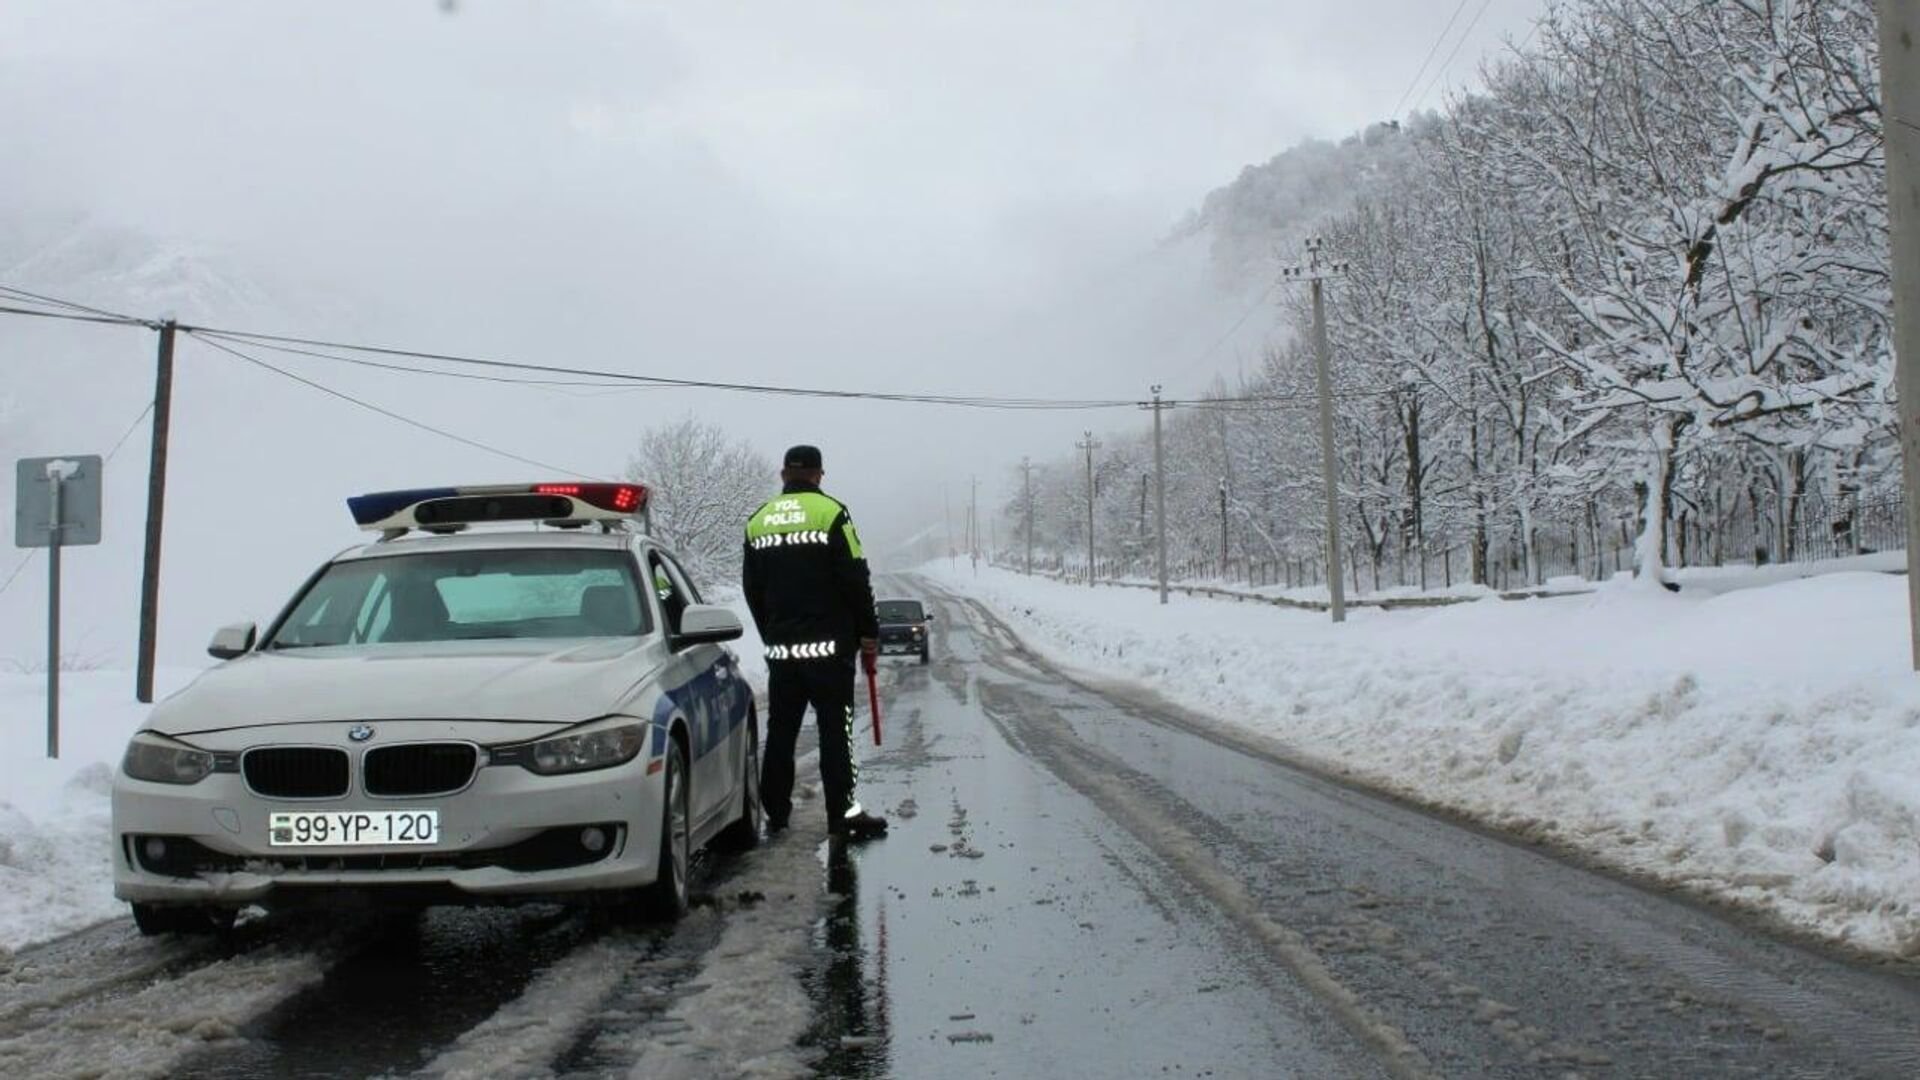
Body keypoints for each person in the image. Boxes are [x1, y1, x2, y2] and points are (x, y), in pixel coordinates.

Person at [742, 445, 889, 840]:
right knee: (836, 732)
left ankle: (776, 813)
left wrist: (771, 633)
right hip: (829, 651)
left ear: (783, 475)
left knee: (781, 733)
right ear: (819, 475)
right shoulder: (833, 514)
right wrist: (868, 632)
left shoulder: (758, 521)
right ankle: (842, 814)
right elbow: (856, 577)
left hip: (782, 651)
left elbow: (752, 589)